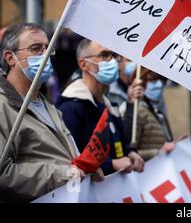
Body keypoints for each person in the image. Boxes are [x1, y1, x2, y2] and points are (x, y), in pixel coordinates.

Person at [0, 23, 91, 202]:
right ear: (10, 58)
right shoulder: (3, 106)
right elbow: (3, 173)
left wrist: (85, 167)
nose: (45, 55)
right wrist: (63, 174)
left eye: (47, 49)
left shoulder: (47, 104)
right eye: (36, 49)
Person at [56, 39, 144, 176]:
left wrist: (130, 153)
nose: (113, 62)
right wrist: (112, 164)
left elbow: (117, 145)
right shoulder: (70, 108)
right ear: (83, 64)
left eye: (115, 56)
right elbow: (70, 160)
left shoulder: (108, 105)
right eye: (105, 55)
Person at [122, 68, 176, 161]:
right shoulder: (135, 111)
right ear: (140, 82)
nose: (158, 84)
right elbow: (128, 151)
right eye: (152, 80)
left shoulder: (155, 110)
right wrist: (160, 152)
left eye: (161, 80)